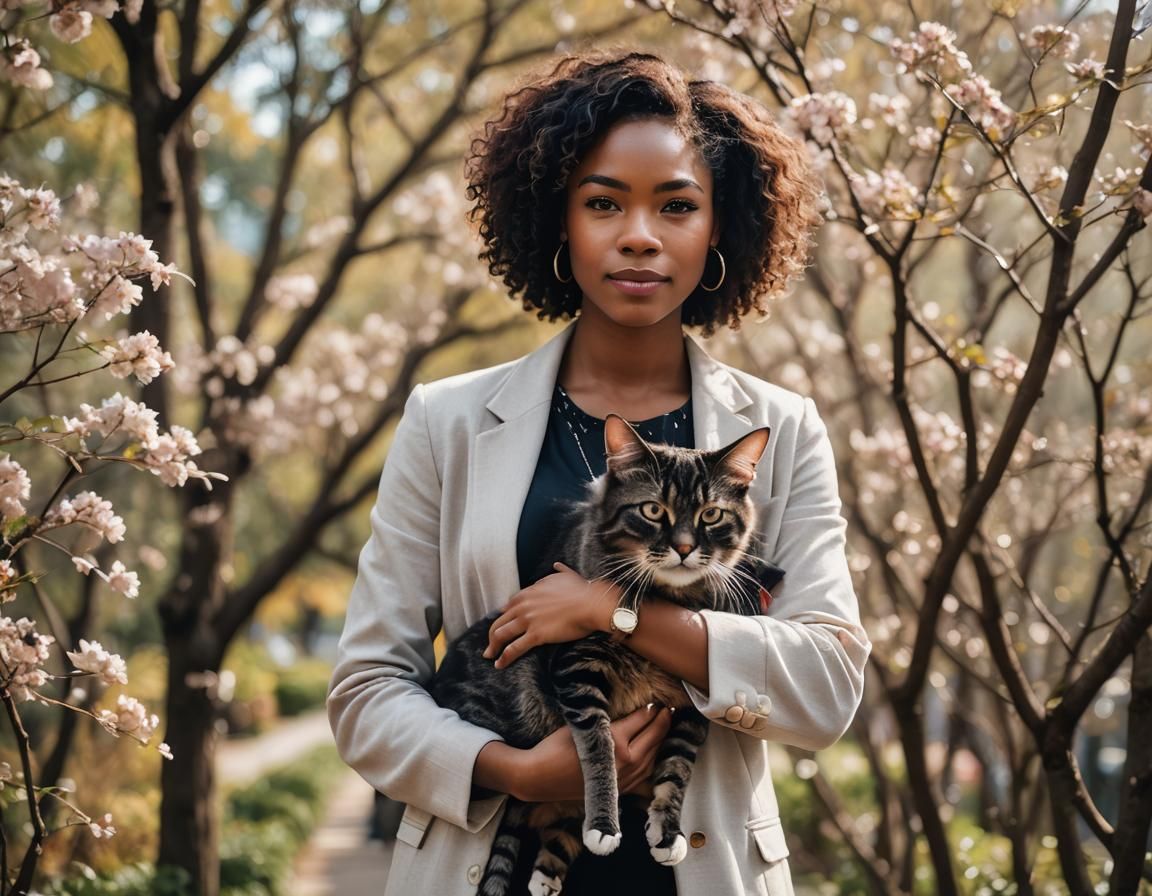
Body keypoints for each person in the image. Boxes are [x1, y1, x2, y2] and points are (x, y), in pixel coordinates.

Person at [327, 49, 870, 896]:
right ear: (558, 221)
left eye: (677, 205)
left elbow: (827, 686)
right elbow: (366, 690)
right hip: (487, 870)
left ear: (720, 227)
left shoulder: (784, 431)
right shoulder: (449, 422)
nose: (640, 235)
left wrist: (610, 611)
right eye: (604, 202)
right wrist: (512, 769)